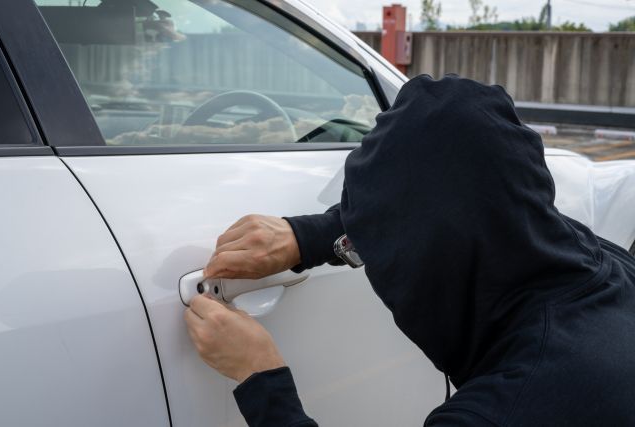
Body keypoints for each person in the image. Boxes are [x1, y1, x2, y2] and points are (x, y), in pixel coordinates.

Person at [184, 75, 635, 426]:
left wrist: (261, 379)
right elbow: (457, 188)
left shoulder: (504, 409)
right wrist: (315, 236)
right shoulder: (597, 262)